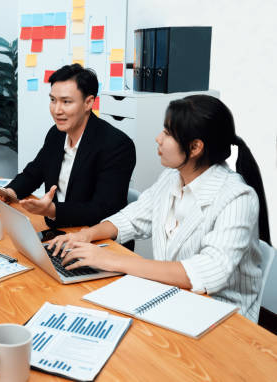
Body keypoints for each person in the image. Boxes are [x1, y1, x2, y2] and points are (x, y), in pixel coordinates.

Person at [48, 95, 270, 322]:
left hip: (223, 317)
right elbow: (132, 218)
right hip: (171, 297)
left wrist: (110, 260)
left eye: (168, 133)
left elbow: (206, 272)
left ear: (195, 147)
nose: (158, 139)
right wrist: (86, 235)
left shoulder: (237, 197)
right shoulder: (172, 177)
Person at [1, 64, 136, 229]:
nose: (57, 110)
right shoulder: (56, 134)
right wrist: (9, 193)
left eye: (66, 102)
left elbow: (104, 209)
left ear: (88, 103)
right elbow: (33, 173)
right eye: (53, 100)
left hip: (97, 239)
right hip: (61, 231)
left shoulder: (116, 145)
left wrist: (53, 210)